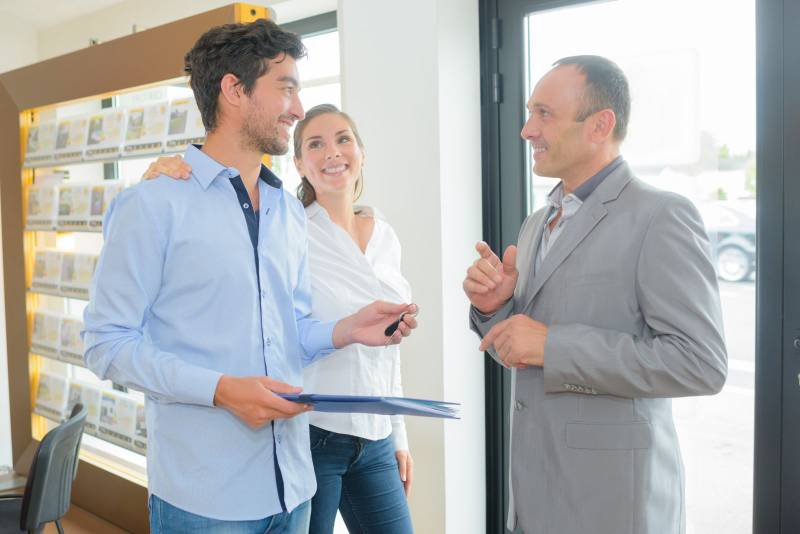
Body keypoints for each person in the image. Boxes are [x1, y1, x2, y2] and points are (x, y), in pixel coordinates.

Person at [83, 20, 417, 534]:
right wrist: (220, 389)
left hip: (294, 490)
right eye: (286, 89)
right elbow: (105, 343)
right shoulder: (152, 205)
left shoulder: (287, 211)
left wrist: (345, 330)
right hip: (204, 502)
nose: (298, 109)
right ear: (234, 90)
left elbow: (290, 331)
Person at [463, 55, 728, 534]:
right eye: (529, 112)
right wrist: (494, 309)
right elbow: (525, 351)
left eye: (544, 114)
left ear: (600, 125)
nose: (527, 130)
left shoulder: (661, 216)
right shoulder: (536, 223)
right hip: (534, 496)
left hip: (614, 504)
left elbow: (699, 363)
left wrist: (554, 345)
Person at [146, 103, 416, 534]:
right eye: (316, 144)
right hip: (315, 432)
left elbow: (389, 348)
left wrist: (398, 434)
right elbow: (269, 330)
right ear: (299, 164)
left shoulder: (385, 234)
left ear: (362, 152)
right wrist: (166, 176)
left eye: (343, 139)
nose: (333, 152)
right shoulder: (288, 228)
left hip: (376, 435)